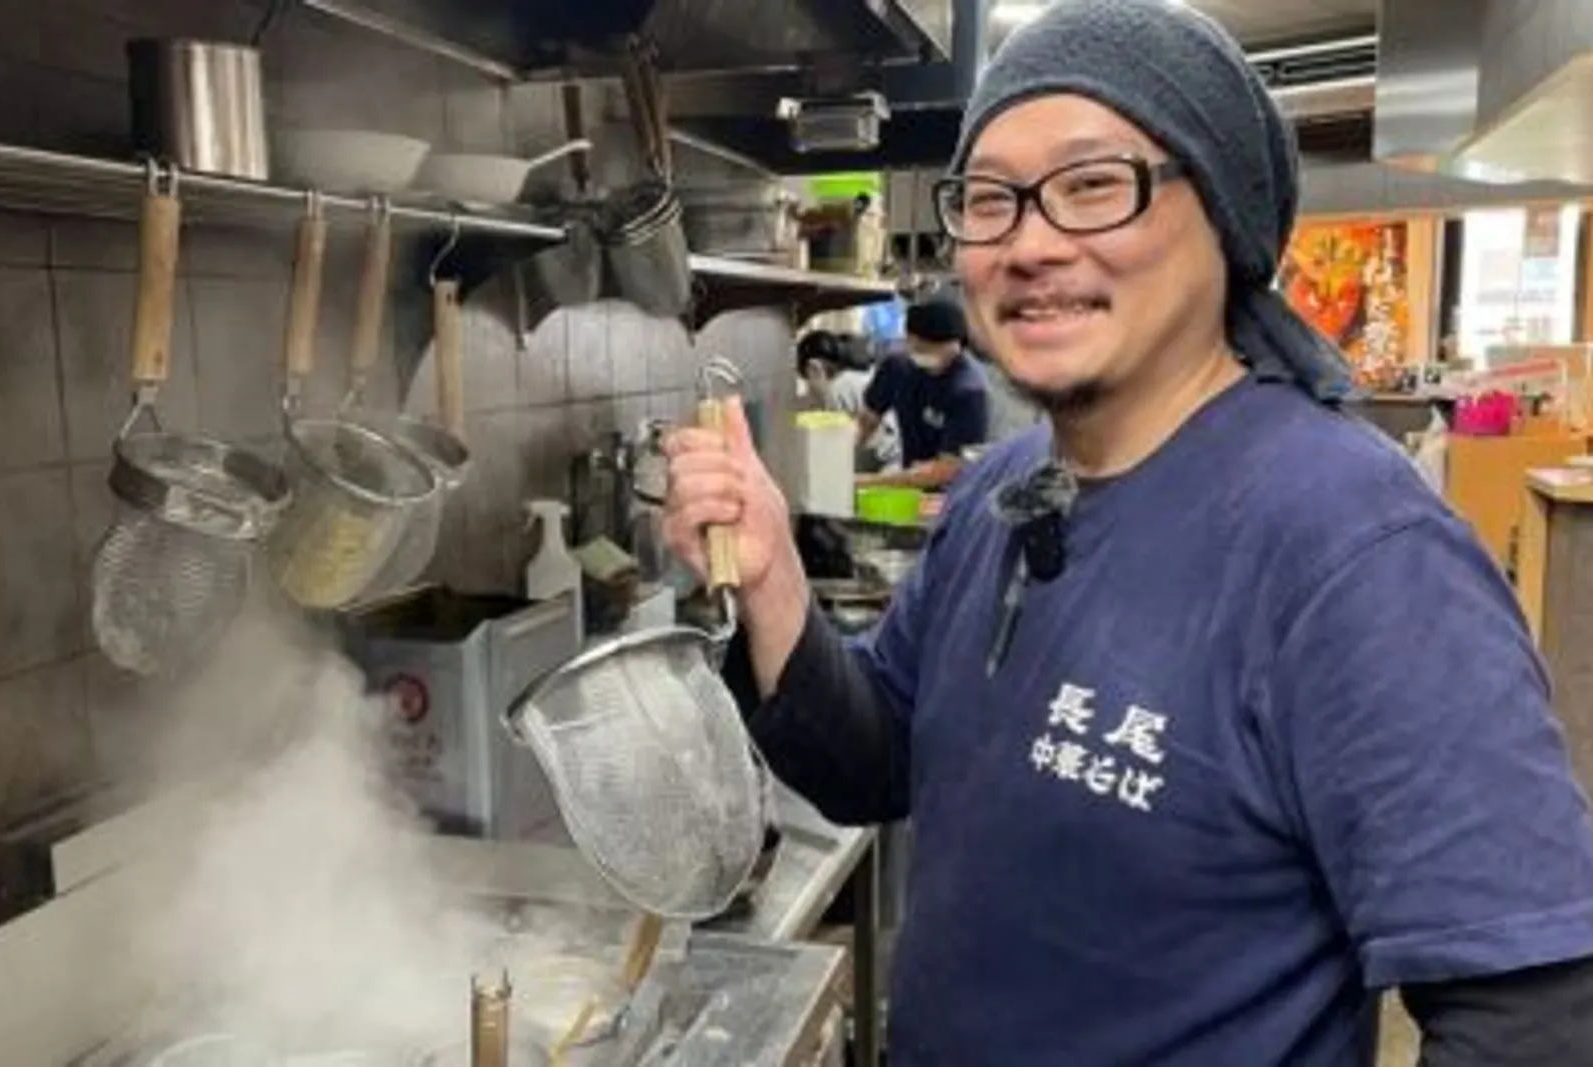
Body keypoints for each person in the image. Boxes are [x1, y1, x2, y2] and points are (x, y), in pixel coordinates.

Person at [661, 1, 1593, 1064]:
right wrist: (774, 571)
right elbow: (879, 759)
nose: (1029, 243)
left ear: (1226, 217)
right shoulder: (1003, 494)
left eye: (1093, 185)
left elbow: (1534, 1022)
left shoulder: (1354, 549)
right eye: (990, 198)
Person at [854, 296, 990, 490]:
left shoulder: (968, 392)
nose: (937, 358)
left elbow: (945, 470)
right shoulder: (896, 368)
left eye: (945, 351)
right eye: (924, 348)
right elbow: (866, 421)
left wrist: (866, 482)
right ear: (908, 340)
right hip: (910, 479)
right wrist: (838, 456)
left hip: (951, 493)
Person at [795, 329, 901, 472]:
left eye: (807, 378)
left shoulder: (838, 389)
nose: (810, 388)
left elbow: (841, 447)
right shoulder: (856, 377)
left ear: (814, 368)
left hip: (890, 463)